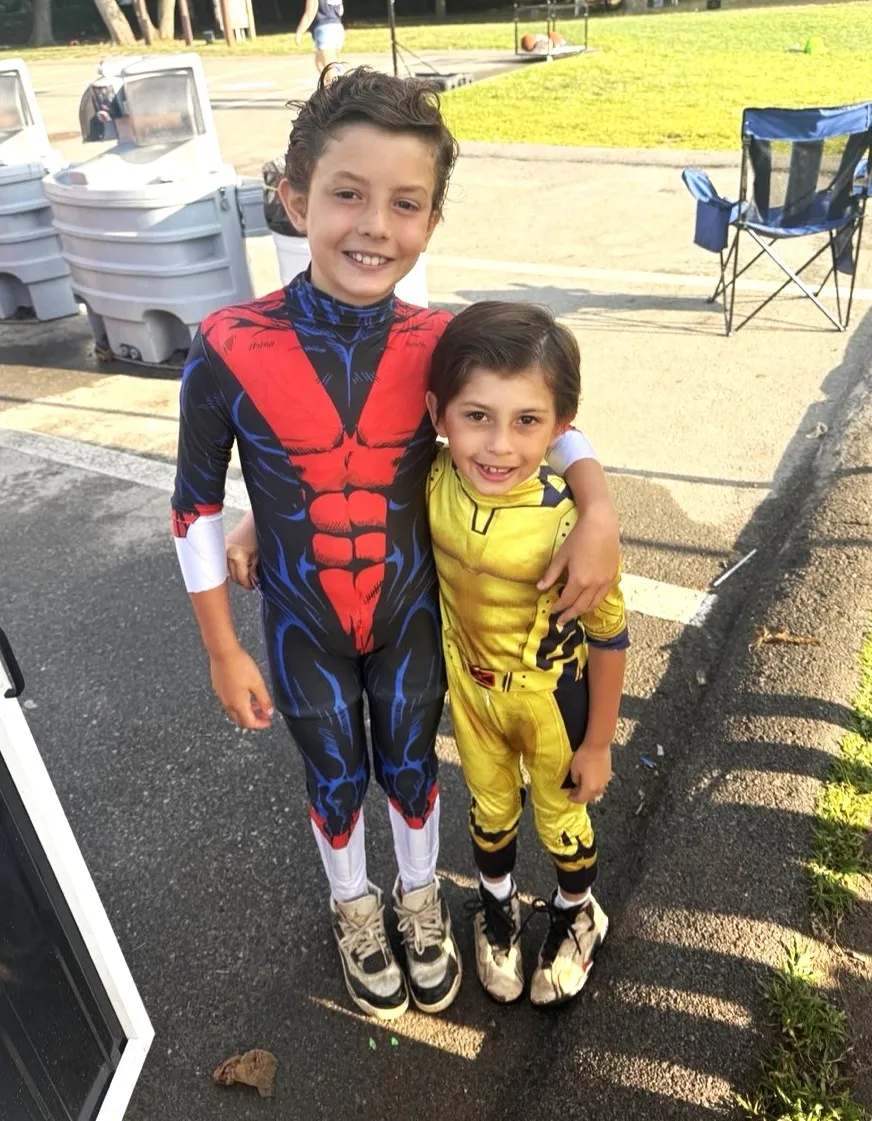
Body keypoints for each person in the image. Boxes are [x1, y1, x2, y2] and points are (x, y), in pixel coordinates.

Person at [172, 68, 620, 1023]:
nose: (374, 224)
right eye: (346, 193)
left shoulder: (441, 340)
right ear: (292, 198)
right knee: (334, 772)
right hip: (302, 621)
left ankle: (420, 900)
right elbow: (193, 507)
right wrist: (221, 644)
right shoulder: (226, 342)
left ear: (430, 219)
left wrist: (599, 509)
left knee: (413, 767)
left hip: (411, 613)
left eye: (404, 203)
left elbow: (538, 413)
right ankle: (355, 905)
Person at [425, 301, 628, 1007]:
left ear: (561, 426)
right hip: (472, 693)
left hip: (549, 698)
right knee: (488, 809)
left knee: (561, 818)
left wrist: (599, 740)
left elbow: (608, 635)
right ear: (437, 414)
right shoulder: (430, 483)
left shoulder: (574, 524)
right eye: (476, 415)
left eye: (527, 421)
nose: (500, 446)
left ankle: (578, 914)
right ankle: (497, 907)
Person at [295, 0, 345, 79]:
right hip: (337, 27)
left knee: (329, 67)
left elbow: (310, 13)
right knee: (321, 62)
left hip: (324, 29)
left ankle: (334, 85)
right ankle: (333, 82)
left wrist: (300, 31)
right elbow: (341, 11)